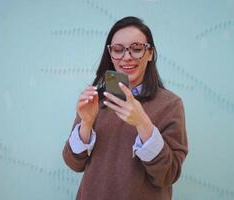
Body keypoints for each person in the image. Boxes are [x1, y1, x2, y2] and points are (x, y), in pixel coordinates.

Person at [62, 16, 188, 200]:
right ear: (110, 55)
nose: (126, 57)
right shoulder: (96, 98)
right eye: (118, 50)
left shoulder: (170, 104)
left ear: (150, 53)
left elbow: (168, 175)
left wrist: (142, 122)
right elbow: (74, 163)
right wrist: (86, 124)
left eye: (136, 49)